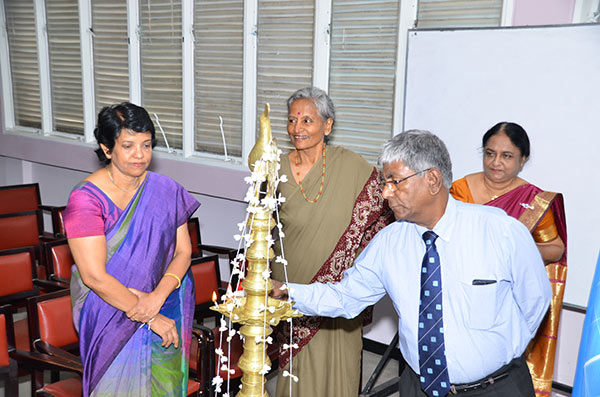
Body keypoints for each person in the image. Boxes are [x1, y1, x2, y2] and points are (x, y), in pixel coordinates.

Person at [273, 130, 552, 396]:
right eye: (384, 183)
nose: (385, 193)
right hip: (418, 387)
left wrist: (497, 353)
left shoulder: (500, 231)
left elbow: (535, 301)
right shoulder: (389, 242)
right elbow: (345, 297)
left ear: (432, 180)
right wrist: (286, 291)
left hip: (496, 388)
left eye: (395, 181)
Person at [63, 102, 200, 396]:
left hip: (165, 303)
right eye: (128, 145)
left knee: (163, 384)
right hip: (110, 310)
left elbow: (183, 252)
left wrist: (155, 300)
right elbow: (94, 276)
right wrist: (149, 315)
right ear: (107, 148)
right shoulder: (86, 200)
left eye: (146, 144)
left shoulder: (166, 190)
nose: (140, 154)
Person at [270, 87, 393, 397]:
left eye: (308, 121)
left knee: (337, 365)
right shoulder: (274, 168)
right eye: (292, 120)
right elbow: (261, 227)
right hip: (290, 276)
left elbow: (385, 209)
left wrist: (360, 260)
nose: (298, 129)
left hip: (339, 286)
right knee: (293, 367)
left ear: (327, 125)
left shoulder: (350, 165)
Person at [449, 122, 566, 396]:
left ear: (523, 159)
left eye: (507, 156)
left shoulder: (534, 199)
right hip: (459, 288)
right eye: (489, 153)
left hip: (504, 295)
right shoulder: (460, 189)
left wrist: (518, 249)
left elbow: (555, 249)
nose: (495, 162)